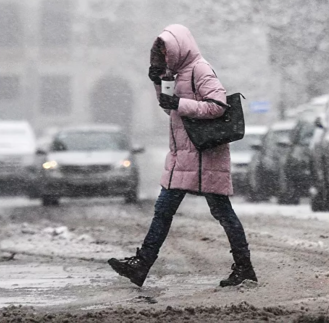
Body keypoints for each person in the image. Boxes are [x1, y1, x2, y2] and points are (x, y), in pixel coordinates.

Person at [108, 24, 256, 288]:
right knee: (164, 210)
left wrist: (179, 103)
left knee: (221, 212)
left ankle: (244, 268)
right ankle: (142, 265)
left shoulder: (200, 69)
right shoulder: (175, 74)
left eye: (167, 52)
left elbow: (218, 105)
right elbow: (170, 111)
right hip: (183, 156)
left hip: (205, 155)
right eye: (161, 54)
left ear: (180, 48)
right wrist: (158, 83)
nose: (165, 57)